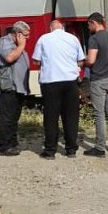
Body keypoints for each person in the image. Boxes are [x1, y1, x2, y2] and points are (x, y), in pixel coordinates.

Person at [32, 20, 85, 159]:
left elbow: (36, 60)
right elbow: (81, 60)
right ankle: (71, 150)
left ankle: (50, 151)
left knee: (51, 117)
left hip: (50, 82)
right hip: (70, 82)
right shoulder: (73, 39)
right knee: (71, 116)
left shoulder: (43, 39)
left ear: (50, 28)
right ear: (62, 28)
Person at [83, 12, 108, 156]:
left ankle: (100, 148)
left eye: (88, 25)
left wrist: (82, 63)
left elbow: (91, 60)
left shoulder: (94, 39)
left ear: (94, 22)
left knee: (99, 114)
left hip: (98, 80)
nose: (88, 28)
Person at [0, 21, 31, 156]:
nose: (28, 38)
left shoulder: (17, 45)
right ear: (18, 34)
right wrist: (21, 46)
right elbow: (9, 58)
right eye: (26, 35)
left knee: (14, 117)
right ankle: (5, 146)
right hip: (7, 87)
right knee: (7, 117)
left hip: (17, 88)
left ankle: (12, 142)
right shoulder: (5, 43)